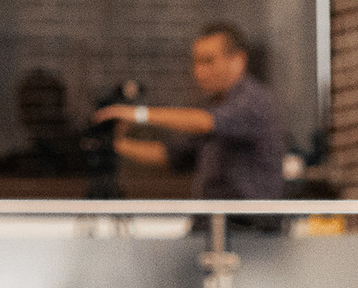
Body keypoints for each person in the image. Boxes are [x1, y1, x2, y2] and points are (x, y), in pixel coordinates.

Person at [97, 23, 287, 203]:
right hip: (211, 226)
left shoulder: (253, 100)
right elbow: (172, 156)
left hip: (249, 232)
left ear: (238, 60)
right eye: (196, 62)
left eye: (208, 61)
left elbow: (207, 122)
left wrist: (138, 114)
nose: (199, 72)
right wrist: (115, 145)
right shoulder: (212, 104)